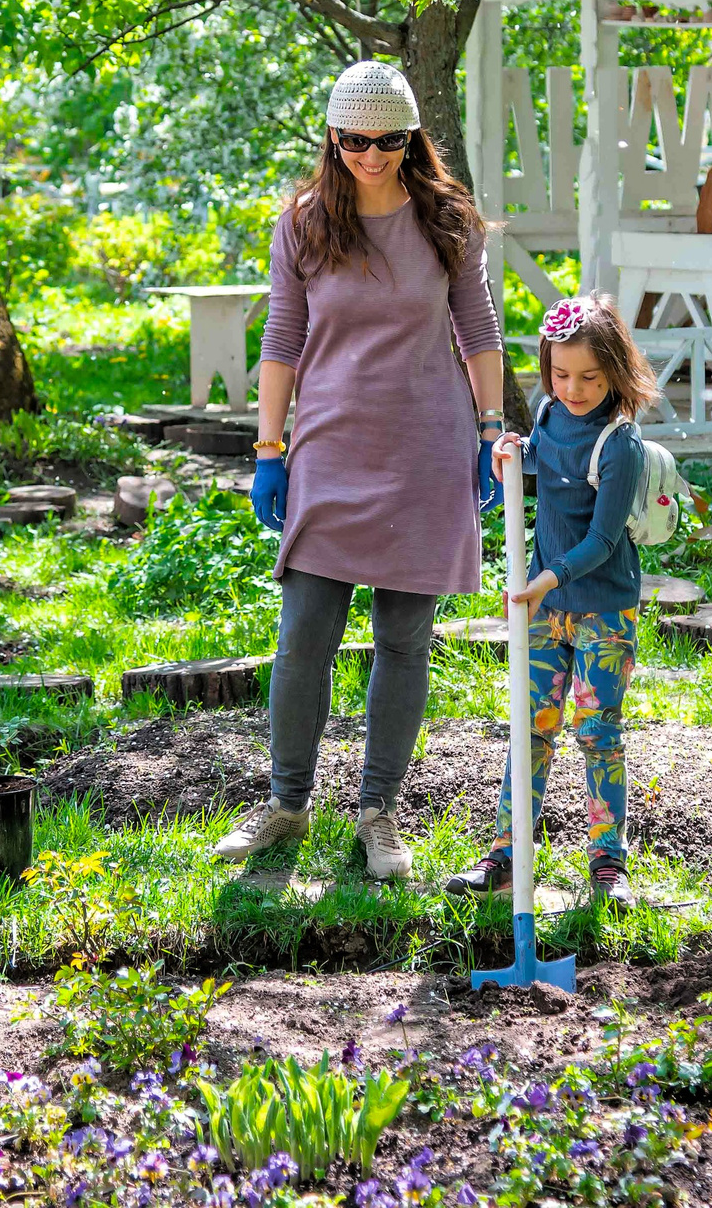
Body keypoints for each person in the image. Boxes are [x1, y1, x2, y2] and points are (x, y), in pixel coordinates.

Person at [214, 61, 507, 881]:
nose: (370, 155)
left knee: (403, 639)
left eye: (387, 141)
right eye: (353, 141)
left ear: (412, 139)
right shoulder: (304, 223)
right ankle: (285, 804)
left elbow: (480, 330)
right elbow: (281, 341)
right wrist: (269, 449)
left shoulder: (447, 221)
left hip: (426, 446)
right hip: (332, 446)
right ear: (332, 138)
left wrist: (490, 429)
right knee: (305, 632)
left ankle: (379, 811)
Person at [447, 295, 659, 907]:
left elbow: (601, 538)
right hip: (545, 607)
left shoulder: (621, 444)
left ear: (614, 371)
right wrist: (516, 451)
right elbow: (548, 462)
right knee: (530, 727)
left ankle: (608, 863)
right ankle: (507, 854)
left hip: (602, 607)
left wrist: (547, 580)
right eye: (560, 374)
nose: (573, 388)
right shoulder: (550, 413)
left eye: (590, 378)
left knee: (596, 729)